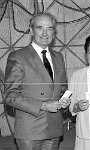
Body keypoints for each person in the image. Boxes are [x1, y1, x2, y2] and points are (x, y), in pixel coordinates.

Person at [4, 12, 70, 150]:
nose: (45, 33)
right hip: (30, 129)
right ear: (31, 30)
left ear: (54, 32)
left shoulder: (59, 57)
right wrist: (43, 105)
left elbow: (62, 87)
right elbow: (10, 96)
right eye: (40, 28)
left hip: (54, 127)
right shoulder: (18, 57)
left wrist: (64, 101)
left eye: (50, 28)